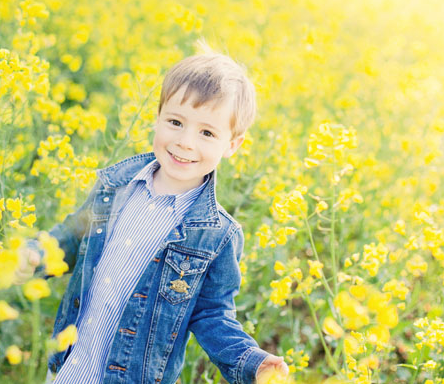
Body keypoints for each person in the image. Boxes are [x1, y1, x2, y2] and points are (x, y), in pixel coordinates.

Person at [15, 47, 289, 384]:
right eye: (175, 122)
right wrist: (35, 255)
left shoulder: (218, 236)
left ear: (232, 145)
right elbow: (72, 237)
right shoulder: (114, 186)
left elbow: (213, 315)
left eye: (207, 133)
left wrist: (251, 362)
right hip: (68, 368)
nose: (185, 142)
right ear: (157, 118)